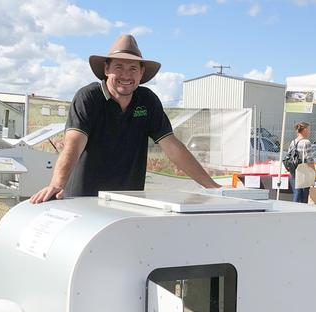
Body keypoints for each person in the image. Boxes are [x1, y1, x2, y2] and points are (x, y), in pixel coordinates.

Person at [30, 34, 220, 203]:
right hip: (84, 201)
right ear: (106, 69)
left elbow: (173, 148)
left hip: (128, 203)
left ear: (141, 73)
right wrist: (57, 184)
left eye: (132, 68)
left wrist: (214, 189)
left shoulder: (147, 101)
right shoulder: (89, 98)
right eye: (118, 67)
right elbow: (73, 145)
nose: (126, 75)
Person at [288, 122, 315, 203]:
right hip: (303, 172)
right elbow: (309, 160)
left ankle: (294, 212)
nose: (309, 132)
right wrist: (315, 173)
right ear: (305, 130)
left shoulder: (293, 142)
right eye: (309, 130)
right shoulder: (306, 142)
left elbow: (288, 156)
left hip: (293, 170)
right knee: (303, 196)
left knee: (296, 194)